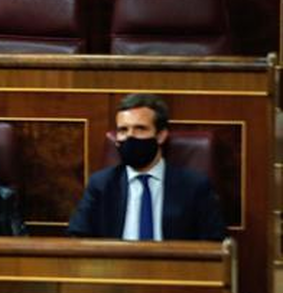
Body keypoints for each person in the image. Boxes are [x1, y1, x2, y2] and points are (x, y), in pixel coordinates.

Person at [68, 94, 226, 241]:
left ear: (161, 135)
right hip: (115, 269)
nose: (130, 136)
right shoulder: (101, 185)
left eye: (140, 128)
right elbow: (77, 238)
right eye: (123, 130)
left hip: (174, 270)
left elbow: (214, 244)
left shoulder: (194, 186)